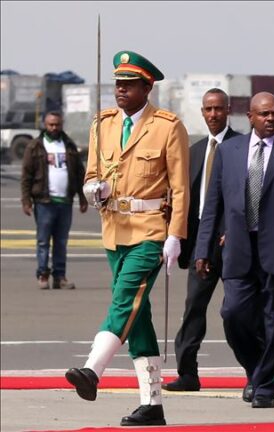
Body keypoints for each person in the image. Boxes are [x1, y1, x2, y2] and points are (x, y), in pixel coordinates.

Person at [64, 50, 190, 427]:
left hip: (150, 230)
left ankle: (92, 370)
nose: (120, 90)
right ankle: (152, 404)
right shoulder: (102, 124)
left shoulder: (168, 126)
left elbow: (181, 189)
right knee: (138, 316)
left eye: (129, 84)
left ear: (146, 88)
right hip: (113, 229)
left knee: (124, 300)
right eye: (118, 83)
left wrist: (175, 235)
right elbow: (89, 176)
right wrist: (93, 190)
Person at [195, 91, 274, 408]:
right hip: (238, 250)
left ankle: (265, 388)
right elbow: (213, 206)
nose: (270, 119)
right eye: (263, 114)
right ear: (249, 117)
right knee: (233, 314)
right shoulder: (230, 151)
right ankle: (256, 370)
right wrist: (202, 249)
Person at [163, 89, 241, 392]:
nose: (213, 115)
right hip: (200, 244)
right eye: (208, 109)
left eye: (218, 109)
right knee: (193, 308)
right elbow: (185, 197)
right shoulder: (194, 152)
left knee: (238, 312)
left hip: (235, 244)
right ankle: (187, 373)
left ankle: (259, 370)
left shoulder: (241, 147)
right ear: (202, 111)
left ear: (228, 111)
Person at [20, 111, 88, 290]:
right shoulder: (35, 146)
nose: (54, 128)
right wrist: (26, 200)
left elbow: (79, 174)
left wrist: (82, 197)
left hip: (65, 202)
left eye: (57, 124)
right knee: (43, 241)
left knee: (61, 242)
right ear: (45, 124)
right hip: (44, 202)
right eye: (50, 124)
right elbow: (26, 175)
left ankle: (60, 276)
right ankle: (43, 274)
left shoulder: (68, 145)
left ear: (61, 124)